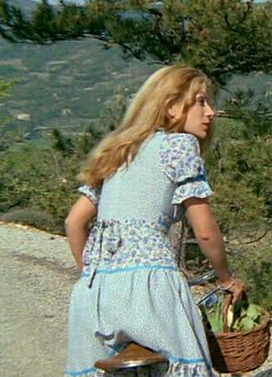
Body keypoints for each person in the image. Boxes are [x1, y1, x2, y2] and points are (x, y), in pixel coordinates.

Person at [64, 66, 244, 377]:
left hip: (92, 296)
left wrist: (94, 276)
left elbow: (73, 222)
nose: (210, 112)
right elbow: (205, 232)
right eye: (201, 101)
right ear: (172, 106)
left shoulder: (118, 150)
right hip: (149, 290)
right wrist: (226, 279)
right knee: (187, 366)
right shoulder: (180, 145)